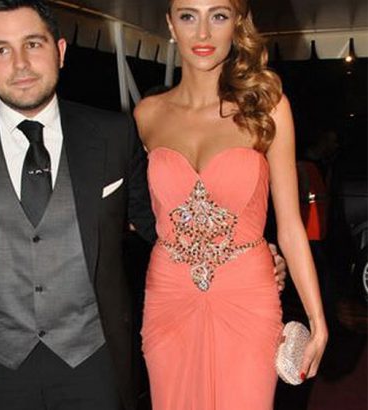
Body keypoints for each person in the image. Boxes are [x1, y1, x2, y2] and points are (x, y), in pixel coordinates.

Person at [0, 1, 156, 409]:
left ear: (60, 51)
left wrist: (237, 253)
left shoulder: (113, 133)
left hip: (94, 363)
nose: (20, 63)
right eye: (1, 50)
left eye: (33, 44)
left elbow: (157, 225)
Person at [134, 0, 328, 408]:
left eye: (218, 16)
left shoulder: (268, 107)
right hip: (168, 297)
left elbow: (290, 226)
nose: (203, 33)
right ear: (170, 24)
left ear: (237, 23)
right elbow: (134, 210)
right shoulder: (146, 115)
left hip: (247, 295)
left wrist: (317, 319)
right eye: (189, 16)